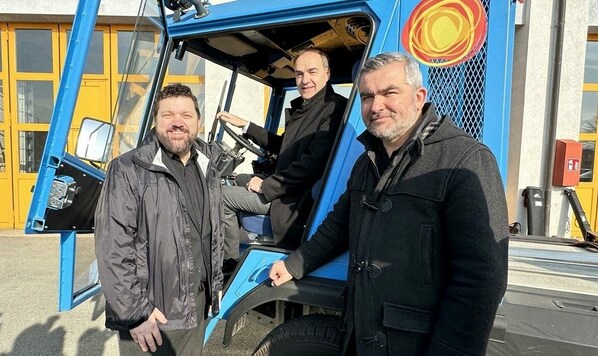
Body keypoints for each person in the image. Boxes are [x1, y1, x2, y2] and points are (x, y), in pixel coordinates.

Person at [269, 52, 509, 355]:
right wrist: (295, 263)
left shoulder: (464, 160)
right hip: (361, 335)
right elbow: (340, 223)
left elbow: (481, 277)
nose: (376, 105)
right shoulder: (366, 162)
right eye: (367, 96)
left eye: (389, 92)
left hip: (413, 344)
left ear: (419, 96)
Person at [94, 83, 225, 355]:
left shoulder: (208, 167)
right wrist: (135, 315)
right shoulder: (128, 169)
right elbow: (112, 249)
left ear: (198, 122)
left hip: (196, 307)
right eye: (168, 115)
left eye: (186, 115)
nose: (178, 122)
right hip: (153, 318)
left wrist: (215, 289)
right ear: (156, 121)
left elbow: (213, 235)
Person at [217, 48, 348, 270]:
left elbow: (310, 166)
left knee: (219, 195)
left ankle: (229, 263)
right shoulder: (309, 107)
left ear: (327, 73)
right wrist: (247, 126)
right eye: (299, 74)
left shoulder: (333, 109)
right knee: (237, 179)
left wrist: (266, 185)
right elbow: (286, 147)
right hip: (290, 188)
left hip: (295, 200)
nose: (305, 80)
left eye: (312, 72)